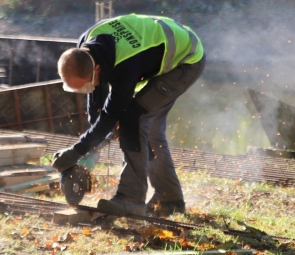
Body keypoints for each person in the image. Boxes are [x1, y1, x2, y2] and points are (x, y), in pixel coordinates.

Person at [52, 14, 205, 216]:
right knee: (149, 132)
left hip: (186, 60)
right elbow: (97, 107)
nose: (85, 91)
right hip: (152, 48)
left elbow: (111, 115)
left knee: (134, 120)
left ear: (97, 69)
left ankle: (131, 199)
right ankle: (170, 199)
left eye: (86, 85)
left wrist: (76, 151)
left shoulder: (125, 66)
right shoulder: (86, 47)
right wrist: (90, 147)